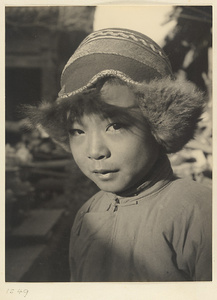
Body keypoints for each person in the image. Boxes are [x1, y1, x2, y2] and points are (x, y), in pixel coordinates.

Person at [26, 28, 212, 281]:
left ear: (159, 125)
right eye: (77, 131)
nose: (95, 151)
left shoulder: (202, 211)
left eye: (115, 126)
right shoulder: (88, 214)